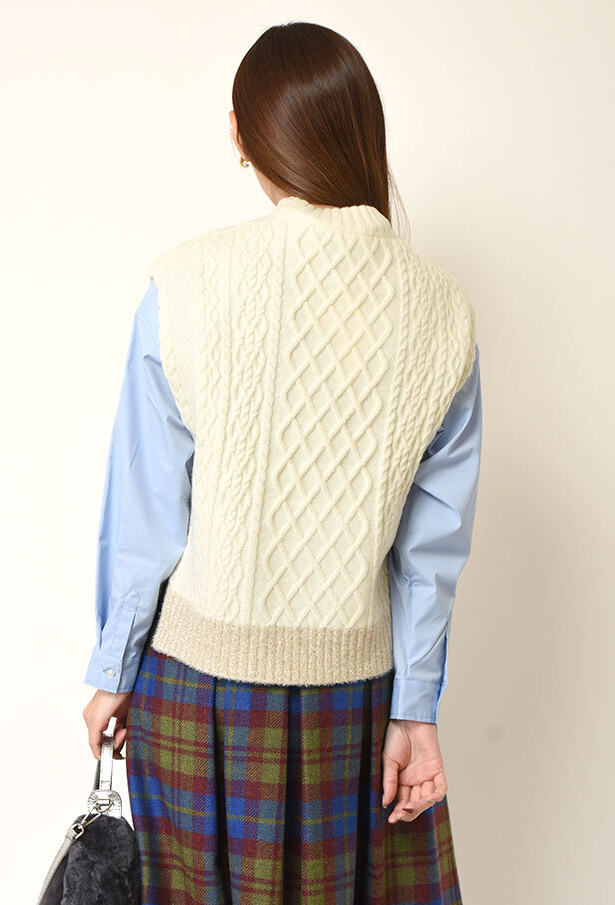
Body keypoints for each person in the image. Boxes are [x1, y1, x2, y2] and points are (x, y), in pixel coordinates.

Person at [82, 21, 482, 905]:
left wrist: (113, 669)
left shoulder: (185, 285)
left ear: (241, 134)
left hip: (195, 691)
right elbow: (432, 551)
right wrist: (415, 708)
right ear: (361, 132)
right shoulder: (443, 310)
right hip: (357, 703)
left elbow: (149, 508)